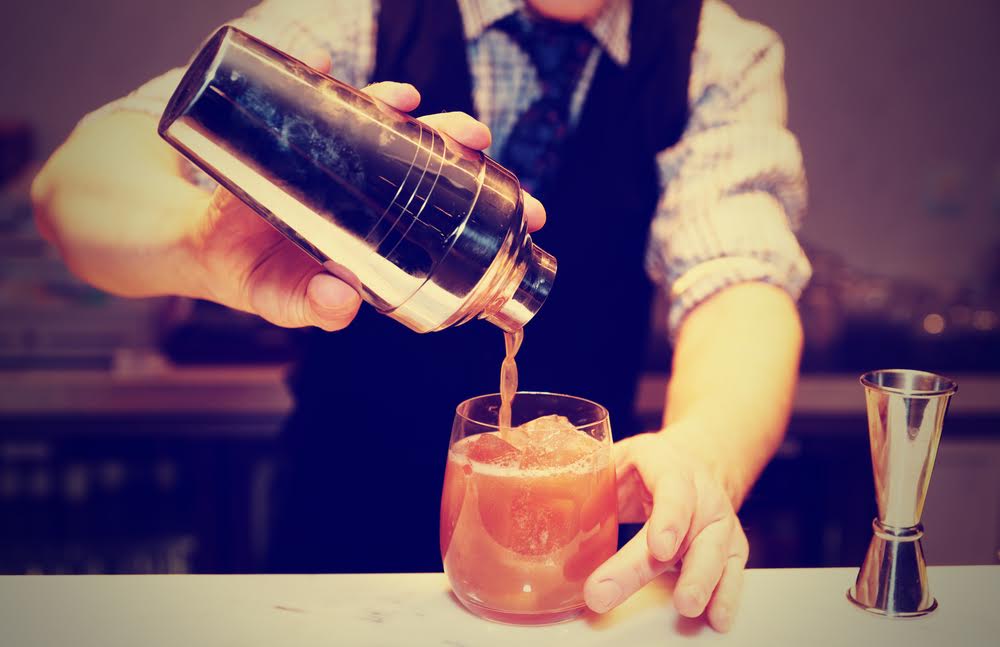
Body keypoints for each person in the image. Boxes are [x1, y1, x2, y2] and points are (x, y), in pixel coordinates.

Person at [31, 0, 810, 632]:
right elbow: (76, 184)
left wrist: (702, 450)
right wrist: (200, 246)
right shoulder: (355, 14)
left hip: (570, 594)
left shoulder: (714, 53)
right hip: (337, 566)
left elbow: (739, 279)